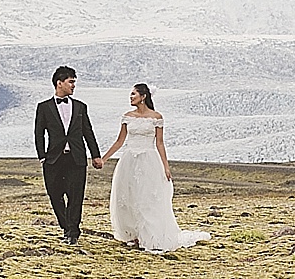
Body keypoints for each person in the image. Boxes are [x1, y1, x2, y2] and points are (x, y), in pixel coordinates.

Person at [101, 83, 210, 252]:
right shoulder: (127, 117)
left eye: (133, 94)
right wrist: (104, 159)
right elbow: (119, 141)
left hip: (148, 160)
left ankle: (149, 235)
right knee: (128, 196)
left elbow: (160, 143)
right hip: (129, 159)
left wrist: (166, 166)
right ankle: (132, 234)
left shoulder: (156, 117)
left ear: (143, 96)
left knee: (147, 197)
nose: (130, 97)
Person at [34, 66, 102, 244]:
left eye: (74, 82)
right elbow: (38, 133)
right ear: (59, 83)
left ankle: (73, 232)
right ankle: (66, 226)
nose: (73, 86)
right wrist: (42, 156)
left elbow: (88, 131)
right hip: (53, 159)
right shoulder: (44, 107)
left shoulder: (80, 107)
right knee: (55, 195)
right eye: (70, 82)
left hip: (76, 158)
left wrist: (96, 155)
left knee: (76, 196)